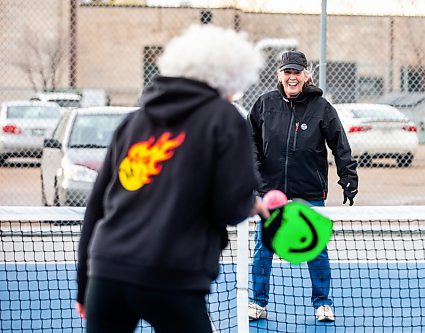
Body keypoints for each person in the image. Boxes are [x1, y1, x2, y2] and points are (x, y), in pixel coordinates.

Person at [75, 24, 269, 333]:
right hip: (173, 277)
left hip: (106, 275)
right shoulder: (224, 118)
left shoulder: (133, 122)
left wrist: (84, 285)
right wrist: (252, 204)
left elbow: (96, 207)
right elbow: (229, 207)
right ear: (228, 76)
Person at [247, 50, 358, 322]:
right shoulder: (264, 104)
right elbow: (250, 142)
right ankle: (258, 303)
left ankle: (323, 303)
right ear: (280, 75)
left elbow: (340, 144)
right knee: (264, 247)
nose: (292, 77)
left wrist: (348, 176)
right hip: (270, 193)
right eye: (287, 72)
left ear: (306, 75)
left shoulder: (322, 108)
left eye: (297, 72)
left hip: (308, 192)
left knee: (316, 249)